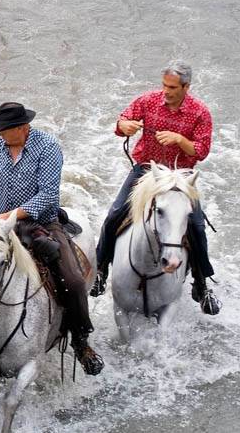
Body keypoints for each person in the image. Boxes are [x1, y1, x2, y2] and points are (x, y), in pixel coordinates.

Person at [0, 102, 103, 376]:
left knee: (73, 280)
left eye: (4, 131)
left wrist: (10, 215)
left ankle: (81, 342)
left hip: (41, 223)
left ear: (22, 128)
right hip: (1, 226)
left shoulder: (47, 147)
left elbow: (47, 196)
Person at [90, 60, 220, 315]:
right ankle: (101, 271)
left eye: (172, 87)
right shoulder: (148, 101)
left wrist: (180, 140)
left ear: (186, 87)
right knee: (115, 213)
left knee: (195, 225)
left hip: (180, 176)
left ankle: (202, 284)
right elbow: (122, 122)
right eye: (164, 85)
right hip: (146, 171)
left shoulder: (200, 113)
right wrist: (123, 126)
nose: (166, 91)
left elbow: (201, 151)